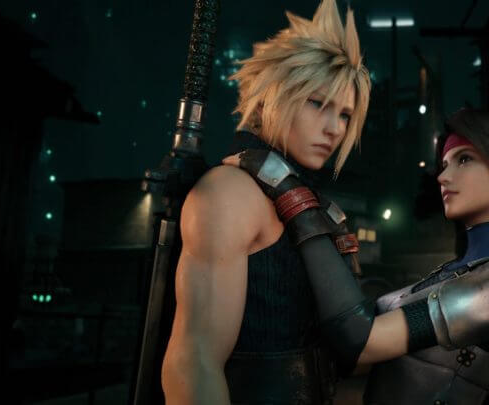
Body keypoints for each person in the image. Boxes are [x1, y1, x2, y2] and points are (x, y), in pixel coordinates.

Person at [226, 107, 489, 404]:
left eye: (465, 159)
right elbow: (352, 340)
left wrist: (291, 194)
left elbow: (360, 341)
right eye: (445, 164)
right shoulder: (462, 271)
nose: (443, 176)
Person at [159, 0, 370, 403]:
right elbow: (194, 363)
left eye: (345, 115)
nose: (334, 128)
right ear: (271, 98)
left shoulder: (304, 201)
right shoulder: (230, 192)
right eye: (317, 103)